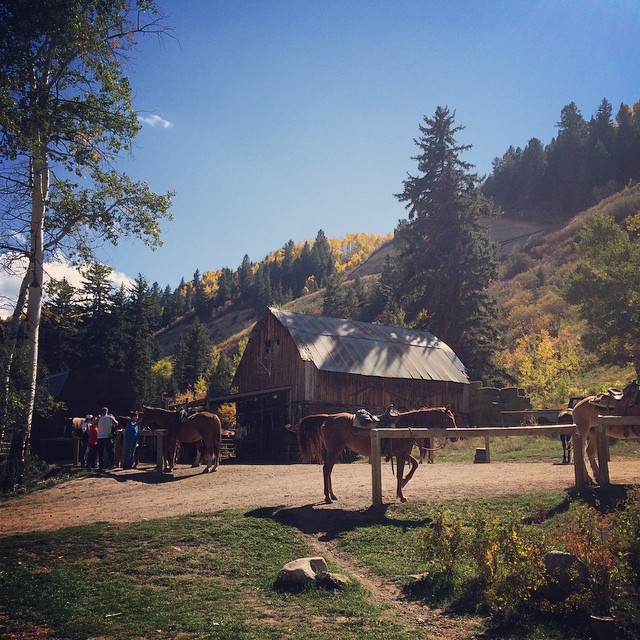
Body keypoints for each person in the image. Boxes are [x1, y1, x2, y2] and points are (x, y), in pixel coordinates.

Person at [97, 407, 118, 471]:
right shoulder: (110, 417)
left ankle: (101, 467)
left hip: (100, 437)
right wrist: (113, 417)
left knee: (100, 453)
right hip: (107, 437)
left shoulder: (99, 418)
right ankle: (112, 463)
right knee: (110, 451)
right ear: (107, 412)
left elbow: (95, 424)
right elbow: (116, 423)